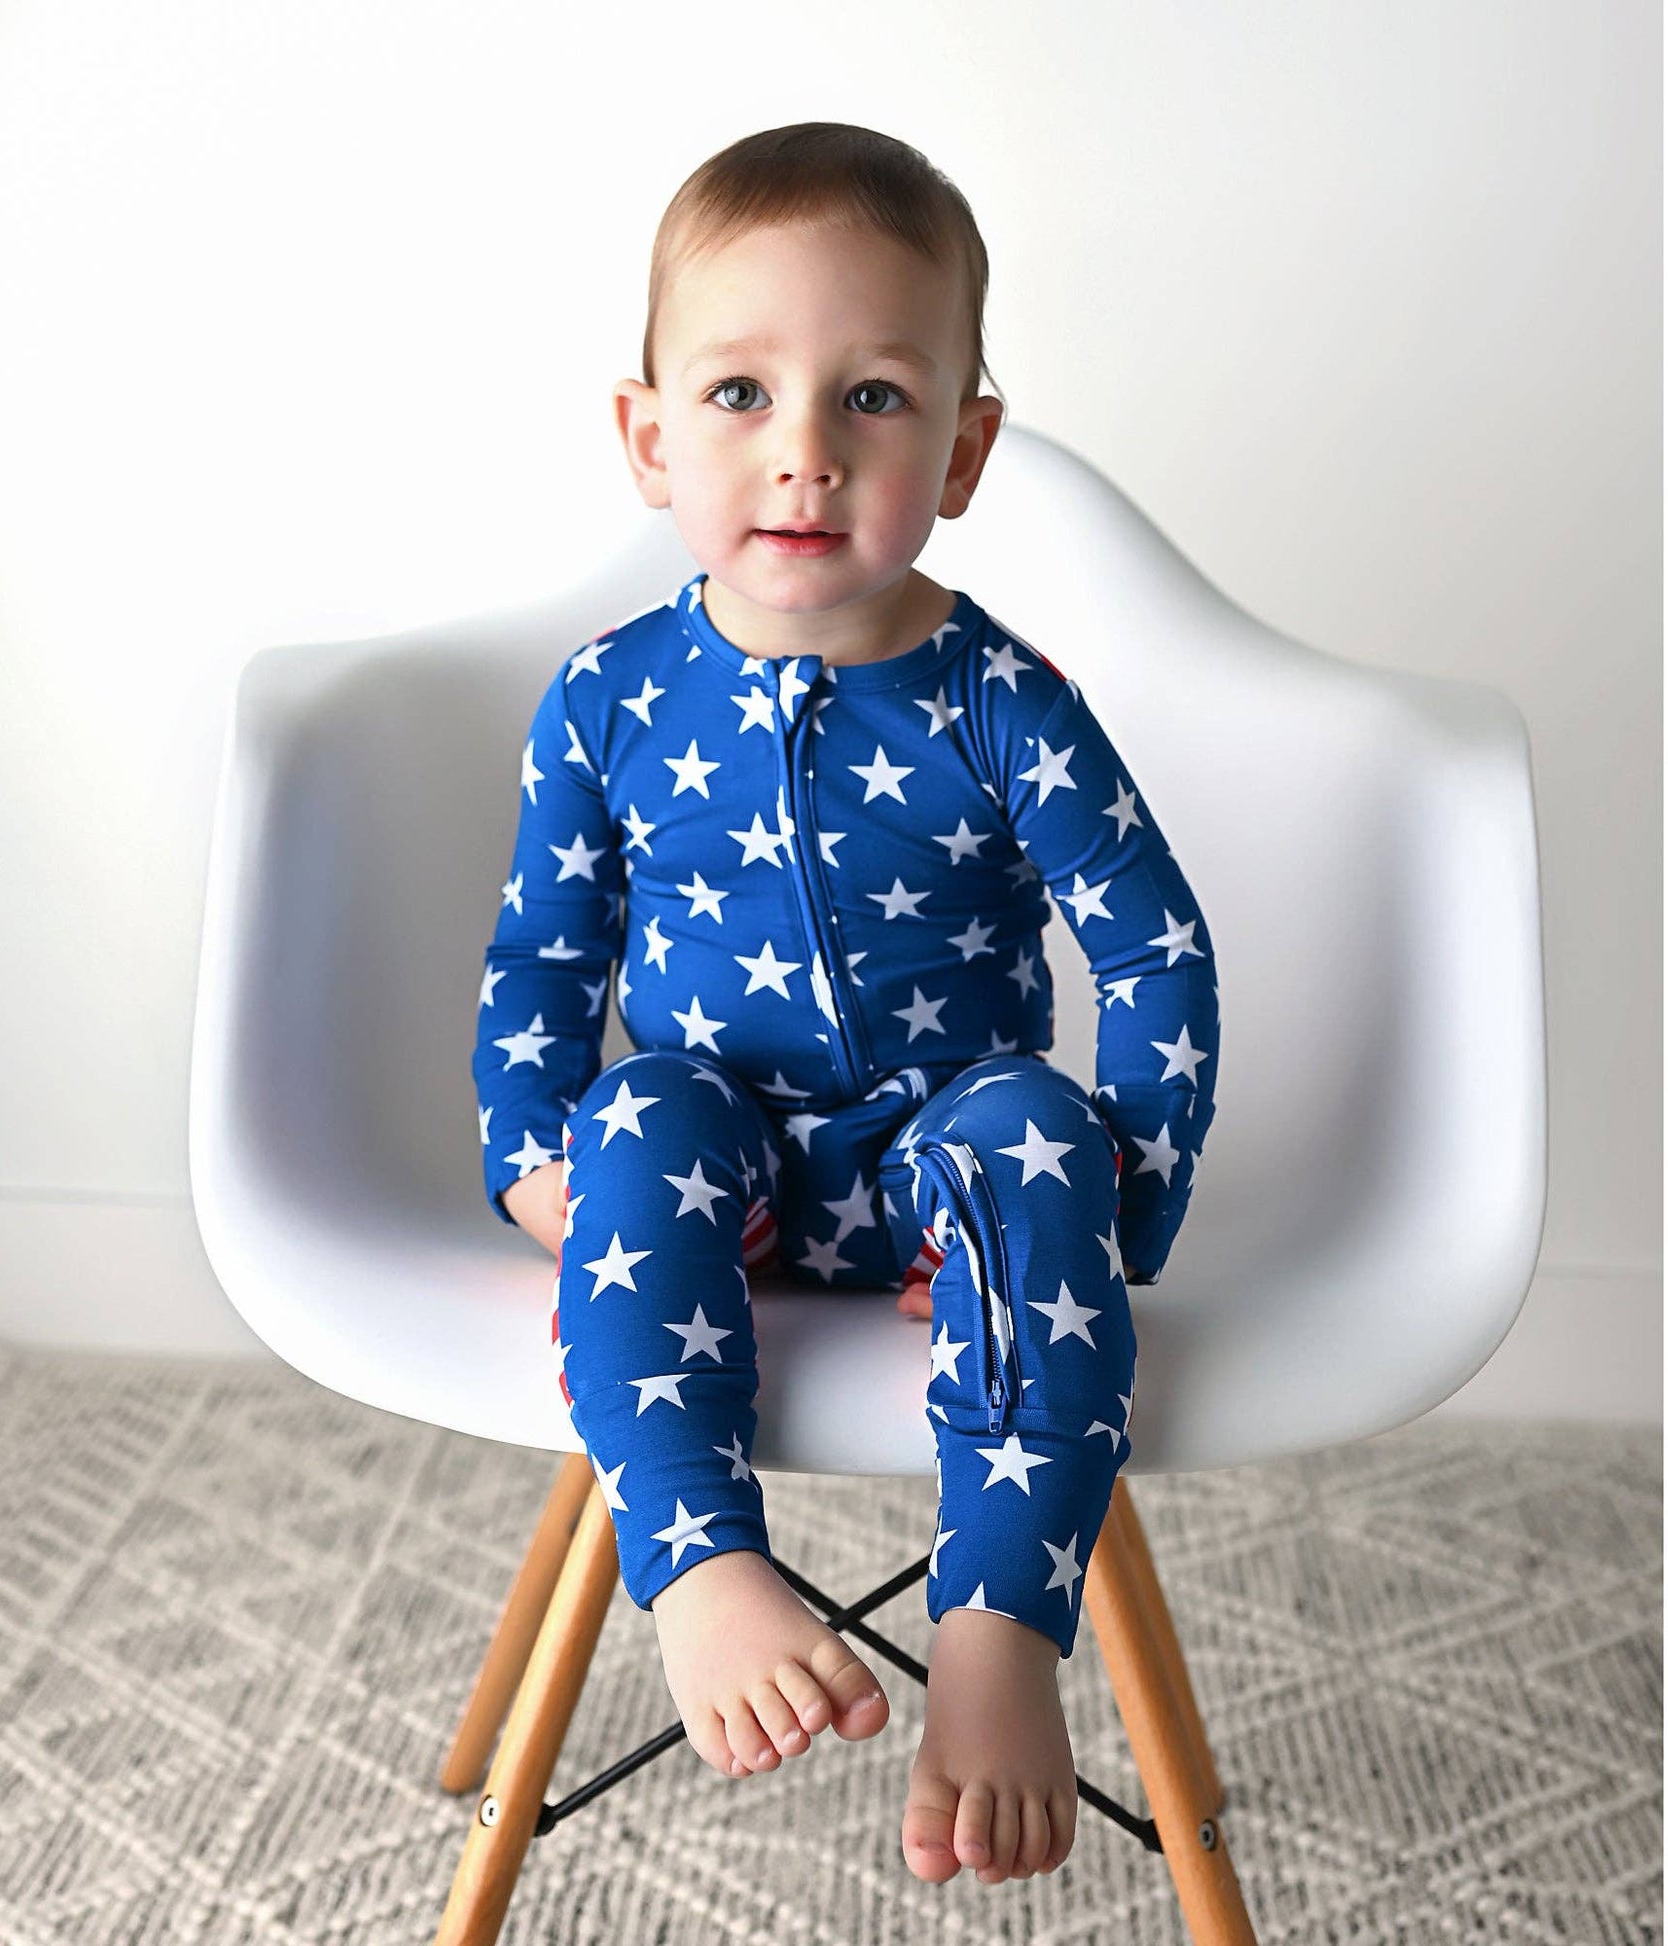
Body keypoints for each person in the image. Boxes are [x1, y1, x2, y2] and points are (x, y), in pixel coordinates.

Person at [470, 122, 1218, 1889]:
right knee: (633, 1117)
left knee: (1041, 1133)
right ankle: (702, 1568)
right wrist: (523, 1159)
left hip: (945, 1142)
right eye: (738, 392)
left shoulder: (1005, 703)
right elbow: (543, 958)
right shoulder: (605, 700)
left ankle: (993, 1637)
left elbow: (1156, 951)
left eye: (873, 398)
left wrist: (1136, 1186)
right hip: (710, 1153)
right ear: (651, 440)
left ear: (961, 451)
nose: (802, 454)